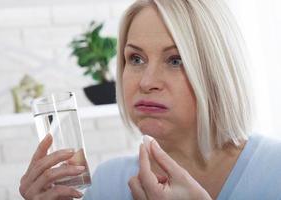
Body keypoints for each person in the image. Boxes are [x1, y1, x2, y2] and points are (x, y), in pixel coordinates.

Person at [19, 0, 281, 199]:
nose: (146, 82)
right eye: (136, 59)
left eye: (175, 60)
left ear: (217, 71)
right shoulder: (107, 183)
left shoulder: (275, 169)